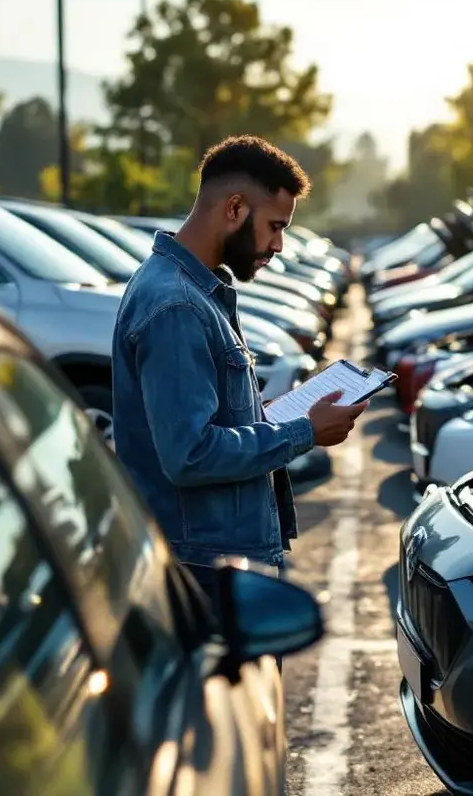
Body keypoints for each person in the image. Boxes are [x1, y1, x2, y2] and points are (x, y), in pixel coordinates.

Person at [111, 135, 367, 611]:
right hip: (202, 573)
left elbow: (207, 420)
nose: (279, 244)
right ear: (234, 208)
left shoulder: (195, 292)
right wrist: (303, 432)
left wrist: (275, 413)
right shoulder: (177, 305)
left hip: (211, 561)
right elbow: (190, 454)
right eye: (274, 226)